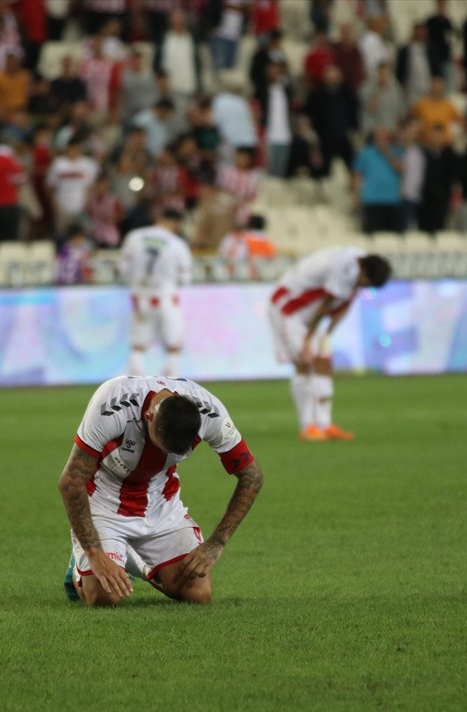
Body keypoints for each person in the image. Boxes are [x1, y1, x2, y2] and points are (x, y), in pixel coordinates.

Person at [58, 374, 263, 607]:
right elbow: (71, 481)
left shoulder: (210, 412)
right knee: (105, 598)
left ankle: (135, 561)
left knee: (197, 593)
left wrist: (217, 542)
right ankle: (81, 561)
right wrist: (94, 553)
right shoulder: (112, 403)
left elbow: (252, 477)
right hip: (103, 501)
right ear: (148, 417)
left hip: (160, 503)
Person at [269, 249, 392, 441]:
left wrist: (327, 334)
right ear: (365, 272)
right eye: (368, 283)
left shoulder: (358, 265)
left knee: (323, 362)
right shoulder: (345, 270)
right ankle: (307, 427)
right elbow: (326, 304)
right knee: (305, 362)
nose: (365, 286)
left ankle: (324, 425)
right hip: (288, 308)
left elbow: (345, 303)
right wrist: (309, 339)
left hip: (306, 314)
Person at [119, 209, 193, 377]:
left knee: (138, 345)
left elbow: (123, 269)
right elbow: (185, 279)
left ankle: (135, 382)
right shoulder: (177, 243)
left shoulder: (134, 237)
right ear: (176, 224)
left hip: (140, 297)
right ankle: (170, 383)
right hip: (166, 298)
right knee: (173, 345)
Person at [353, 127, 404, 234]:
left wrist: (388, 154)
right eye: (379, 138)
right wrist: (357, 197)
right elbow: (357, 176)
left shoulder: (397, 152)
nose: (382, 141)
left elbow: (401, 169)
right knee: (372, 234)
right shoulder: (365, 153)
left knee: (392, 236)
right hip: (372, 200)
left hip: (392, 199)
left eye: (385, 138)